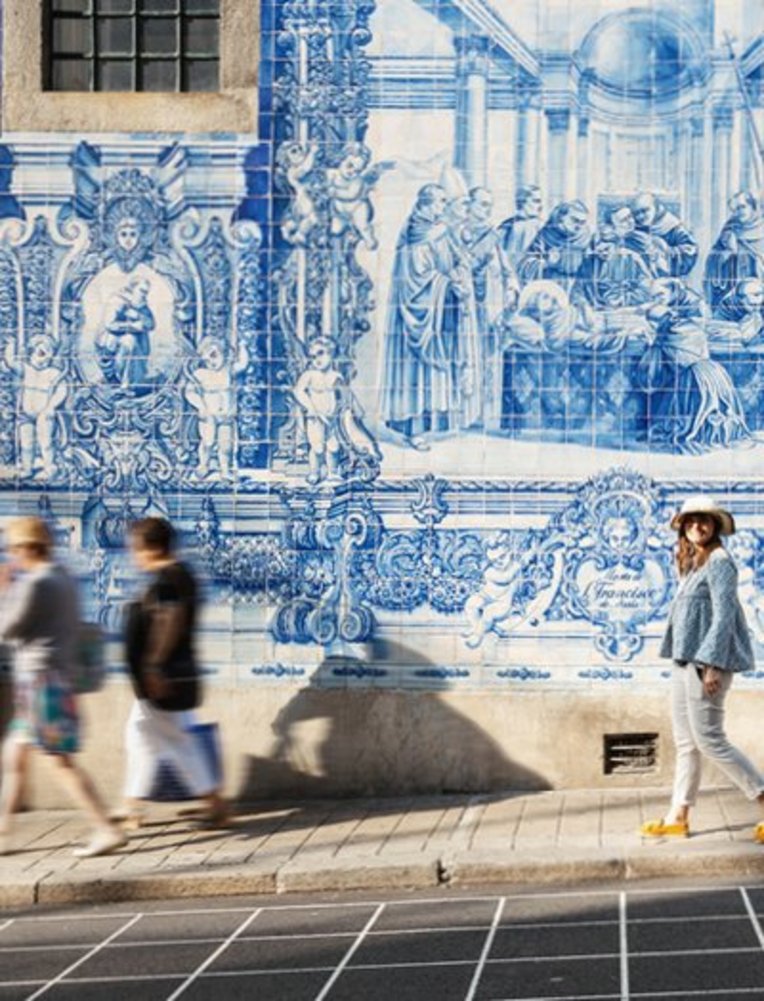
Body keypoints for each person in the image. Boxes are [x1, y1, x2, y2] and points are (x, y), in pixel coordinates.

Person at [0, 517, 126, 857]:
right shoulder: (63, 578)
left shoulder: (35, 584)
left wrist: (5, 591)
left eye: (13, 548)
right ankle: (3, 832)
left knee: (60, 762)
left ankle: (105, 827)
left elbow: (8, 629)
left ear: (27, 548)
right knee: (15, 757)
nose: (11, 555)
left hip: (41, 684)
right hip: (51, 681)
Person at [641, 497, 764, 844]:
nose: (697, 526)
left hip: (706, 664)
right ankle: (678, 816)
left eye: (704, 521)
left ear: (715, 526)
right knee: (686, 743)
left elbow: (724, 616)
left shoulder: (720, 562)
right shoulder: (693, 563)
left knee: (710, 740)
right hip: (684, 661)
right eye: (690, 521)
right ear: (683, 526)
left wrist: (713, 665)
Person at [112, 517, 228, 829]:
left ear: (152, 548)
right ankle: (131, 806)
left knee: (175, 741)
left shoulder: (166, 580)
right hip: (172, 674)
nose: (134, 556)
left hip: (164, 677)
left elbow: (169, 620)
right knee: (141, 736)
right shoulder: (181, 575)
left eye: (136, 548)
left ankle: (214, 804)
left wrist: (152, 666)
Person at [381, 182, 480, 449]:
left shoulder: (441, 230)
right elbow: (415, 280)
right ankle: (413, 431)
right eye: (440, 202)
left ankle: (433, 424)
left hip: (438, 314)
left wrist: (461, 271)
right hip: (420, 314)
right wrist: (448, 284)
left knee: (434, 374)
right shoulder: (415, 233)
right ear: (425, 204)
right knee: (416, 374)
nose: (443, 207)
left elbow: (458, 259)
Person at [705, 191, 764, 314]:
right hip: (733, 291)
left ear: (753, 206)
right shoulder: (730, 228)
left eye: (742, 207)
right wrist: (729, 251)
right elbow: (712, 261)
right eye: (734, 209)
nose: (738, 212)